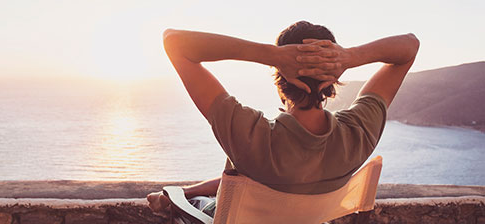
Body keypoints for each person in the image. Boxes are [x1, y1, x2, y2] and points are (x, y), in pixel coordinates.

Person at [147, 21, 419, 216]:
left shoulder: (252, 137)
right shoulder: (358, 134)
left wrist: (271, 55)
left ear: (280, 80)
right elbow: (410, 46)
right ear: (334, 80)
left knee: (185, 205)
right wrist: (351, 56)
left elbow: (174, 41)